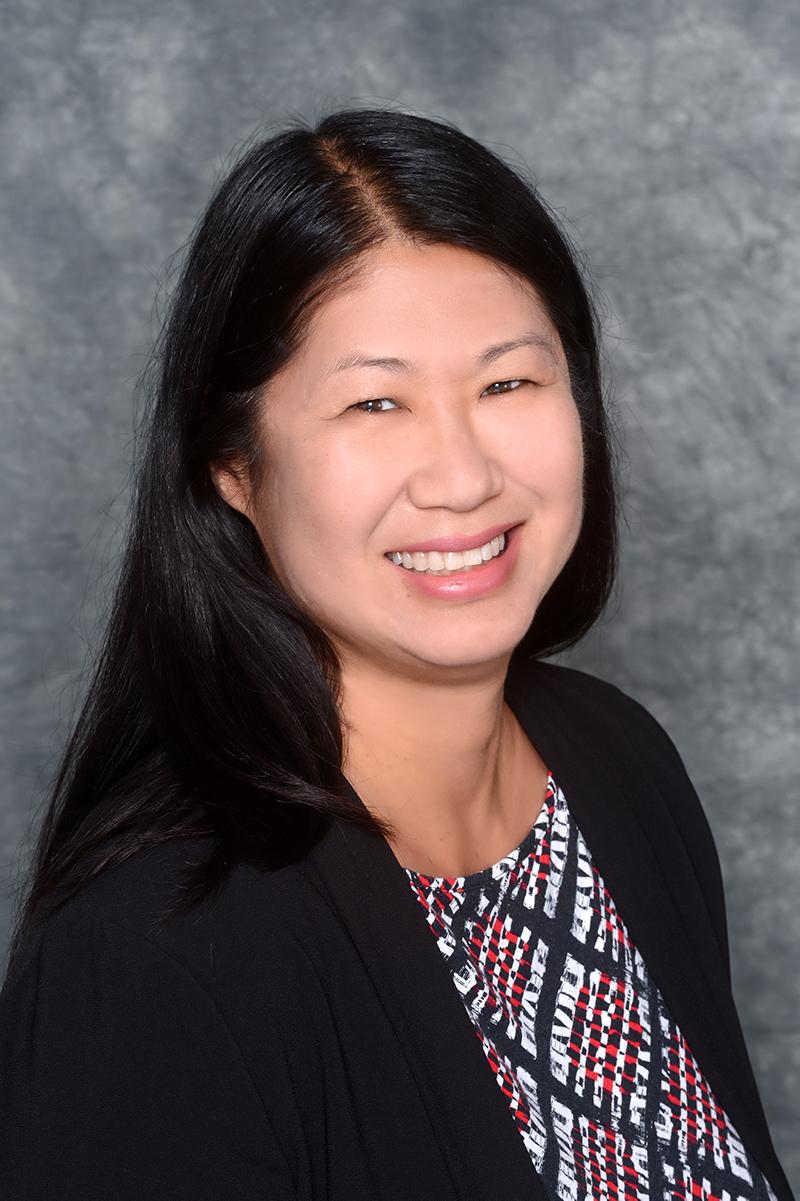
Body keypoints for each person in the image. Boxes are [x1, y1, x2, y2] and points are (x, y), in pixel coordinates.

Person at [0, 106, 794, 1201]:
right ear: (231, 466)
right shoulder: (156, 954)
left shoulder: (617, 763)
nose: (461, 476)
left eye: (507, 382)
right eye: (375, 401)